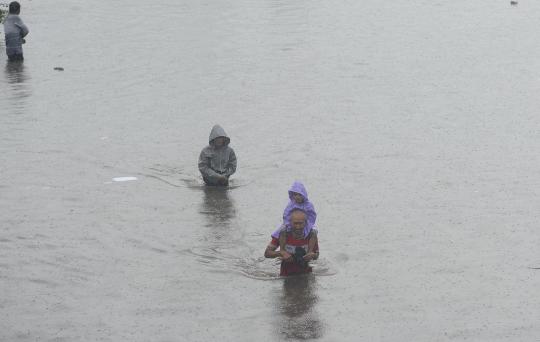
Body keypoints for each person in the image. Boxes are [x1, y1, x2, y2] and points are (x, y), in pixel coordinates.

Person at [265, 209, 319, 276]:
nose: (298, 227)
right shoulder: (282, 235)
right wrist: (281, 253)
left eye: (301, 223)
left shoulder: (311, 236)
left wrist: (313, 255)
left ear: (306, 223)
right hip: (286, 274)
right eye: (295, 223)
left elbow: (316, 254)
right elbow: (267, 253)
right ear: (290, 222)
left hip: (306, 274)